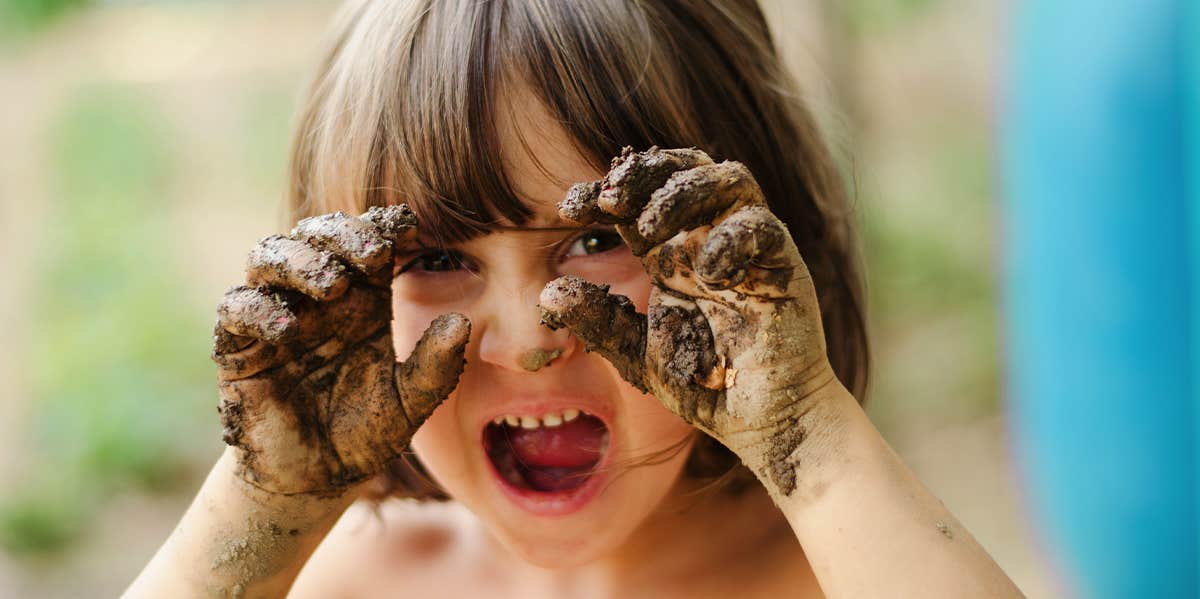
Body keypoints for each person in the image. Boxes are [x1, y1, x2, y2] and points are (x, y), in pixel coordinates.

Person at [128, 0, 1023, 597]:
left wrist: (809, 442)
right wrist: (264, 507)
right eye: (438, 255)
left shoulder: (848, 569)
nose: (527, 339)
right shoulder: (358, 578)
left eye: (598, 242)